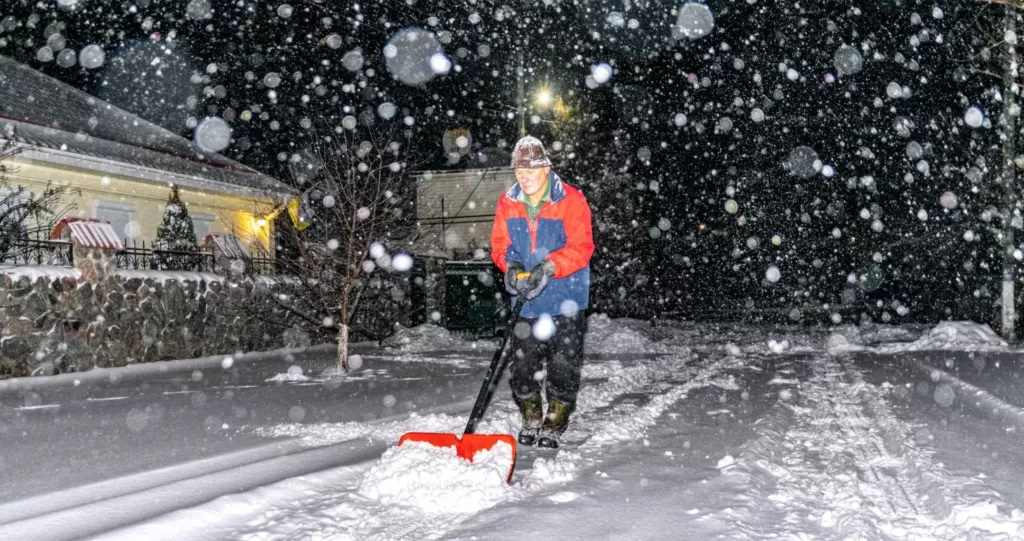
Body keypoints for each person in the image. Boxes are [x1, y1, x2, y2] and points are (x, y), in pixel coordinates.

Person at [490, 135, 594, 448]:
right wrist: (511, 265)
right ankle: (531, 413)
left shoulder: (571, 200)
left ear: (546, 168)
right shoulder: (507, 203)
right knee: (522, 365)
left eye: (530, 172)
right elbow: (500, 245)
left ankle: (557, 416)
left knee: (563, 363)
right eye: (519, 172)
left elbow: (582, 247)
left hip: (566, 297)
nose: (524, 178)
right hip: (526, 300)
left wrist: (549, 267)